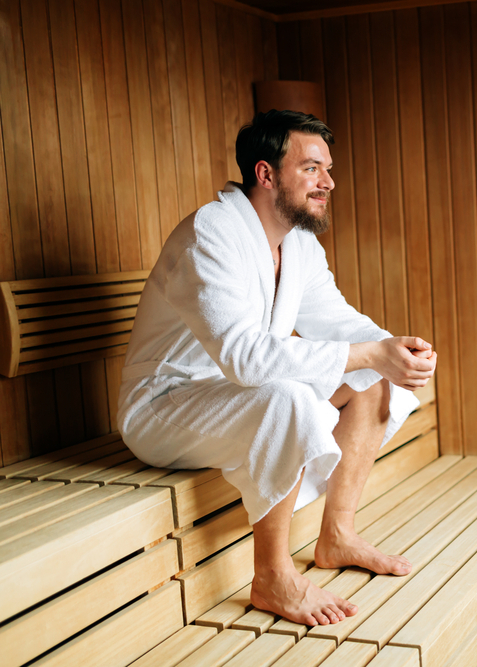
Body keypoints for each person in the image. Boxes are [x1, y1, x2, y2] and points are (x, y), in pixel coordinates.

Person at [117, 110, 436, 627]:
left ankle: (338, 535)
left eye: (328, 169)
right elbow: (245, 357)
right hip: (165, 407)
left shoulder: (299, 244)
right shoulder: (212, 234)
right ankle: (272, 575)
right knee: (286, 395)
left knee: (374, 375)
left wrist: (394, 348)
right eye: (312, 168)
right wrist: (370, 352)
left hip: (233, 397)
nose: (328, 182)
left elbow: (336, 322)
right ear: (265, 174)